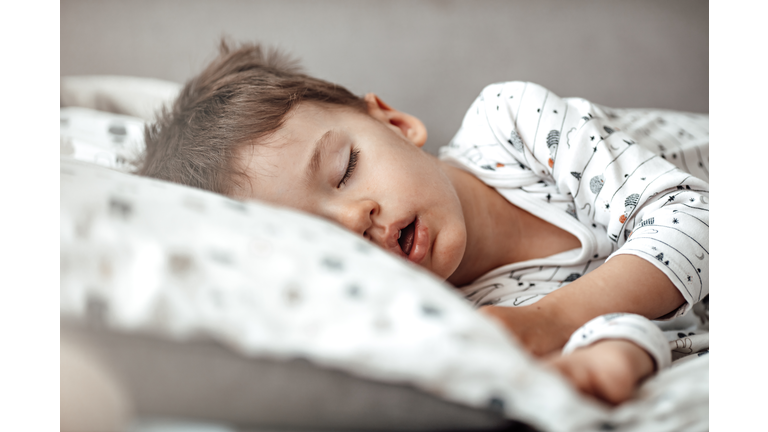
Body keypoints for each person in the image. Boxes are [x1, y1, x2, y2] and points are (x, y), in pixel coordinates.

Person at [137, 40, 709, 405]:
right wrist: (611, 351)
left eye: (345, 169)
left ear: (394, 123)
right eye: (320, 238)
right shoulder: (465, 315)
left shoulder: (514, 127)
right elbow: (661, 321)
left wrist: (550, 321)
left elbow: (699, 221)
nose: (354, 220)